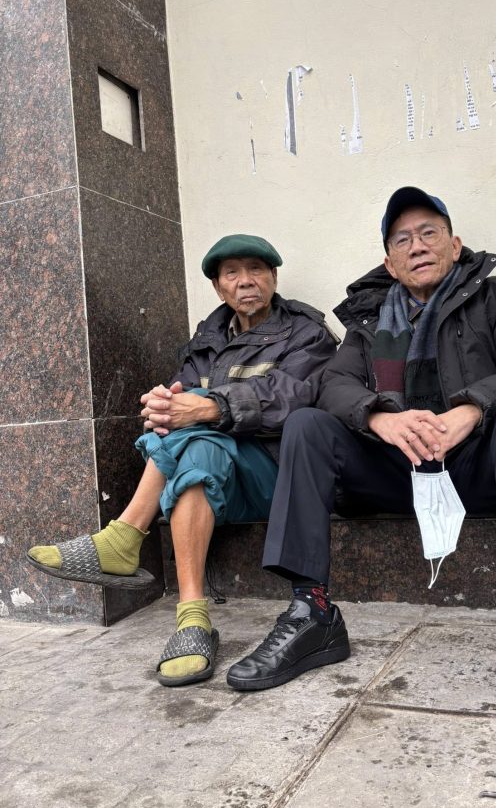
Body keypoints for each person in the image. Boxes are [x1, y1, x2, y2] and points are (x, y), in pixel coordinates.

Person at [226, 187, 496, 735]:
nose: (417, 246)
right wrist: (380, 416)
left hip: (477, 468)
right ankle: (311, 613)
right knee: (307, 424)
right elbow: (334, 384)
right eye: (402, 239)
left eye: (429, 233)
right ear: (389, 262)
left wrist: (471, 408)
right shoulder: (369, 318)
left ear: (455, 245)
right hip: (394, 470)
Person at [27, 234, 337, 687]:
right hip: (217, 475)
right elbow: (181, 400)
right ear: (218, 287)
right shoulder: (205, 341)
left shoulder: (307, 332)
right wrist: (163, 407)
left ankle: (124, 536)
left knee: (196, 423)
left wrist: (206, 407)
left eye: (256, 269)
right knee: (197, 450)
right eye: (232, 273)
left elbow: (296, 396)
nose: (246, 281)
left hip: (280, 478)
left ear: (273, 277)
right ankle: (192, 618)